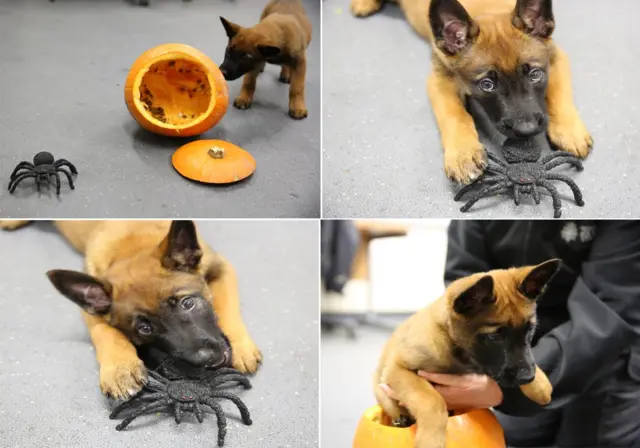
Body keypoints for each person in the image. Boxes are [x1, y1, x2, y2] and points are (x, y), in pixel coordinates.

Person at [381, 220, 640, 447]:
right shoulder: (476, 200)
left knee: (595, 438)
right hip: (518, 343)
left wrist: (503, 388)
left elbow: (611, 309)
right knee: (515, 436)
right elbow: (464, 286)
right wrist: (485, 376)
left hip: (605, 345)